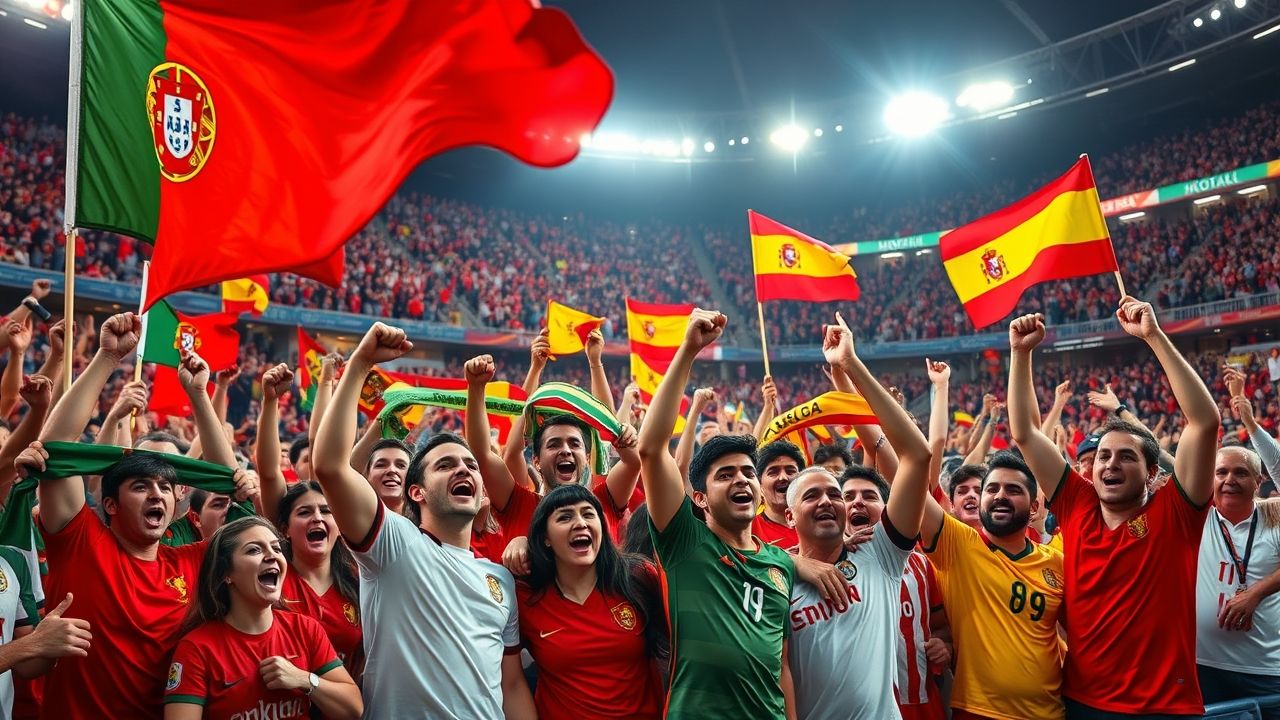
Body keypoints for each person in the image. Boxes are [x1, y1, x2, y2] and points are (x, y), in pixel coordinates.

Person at [16, 313, 255, 720]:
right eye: (141, 486)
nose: (157, 494)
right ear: (109, 504)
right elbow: (56, 447)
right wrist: (107, 358)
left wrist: (199, 394)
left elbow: (227, 484)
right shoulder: (81, 541)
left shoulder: (193, 561)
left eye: (164, 486)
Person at [1008, 301, 1220, 719]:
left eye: (1126, 457)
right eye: (1104, 456)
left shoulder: (1177, 511)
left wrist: (1153, 337)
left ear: (1153, 472)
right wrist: (1020, 353)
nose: (1109, 465)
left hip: (1165, 707)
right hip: (1085, 703)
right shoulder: (1076, 502)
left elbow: (1205, 422)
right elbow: (1025, 433)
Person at [311, 322, 534, 718]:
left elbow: (512, 683)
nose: (463, 471)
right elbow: (329, 465)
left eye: (470, 465)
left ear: (484, 491)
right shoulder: (394, 543)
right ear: (417, 492)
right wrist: (360, 364)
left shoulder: (499, 578)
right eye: (445, 465)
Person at [637, 308, 839, 720]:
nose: (742, 480)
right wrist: (688, 351)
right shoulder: (684, 544)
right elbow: (651, 449)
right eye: (725, 475)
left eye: (749, 472)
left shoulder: (780, 564)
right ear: (700, 499)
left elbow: (779, 665)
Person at [786, 311, 933, 720]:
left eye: (834, 493)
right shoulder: (775, 574)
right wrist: (794, 562)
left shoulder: (880, 555)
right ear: (788, 517)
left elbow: (917, 456)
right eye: (811, 495)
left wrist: (851, 365)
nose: (829, 501)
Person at [164, 517, 361, 720]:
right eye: (254, 550)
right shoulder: (196, 649)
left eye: (276, 548)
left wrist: (305, 680)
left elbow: (354, 708)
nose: (272, 556)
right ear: (226, 574)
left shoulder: (305, 628)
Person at [921, 452, 1065, 719]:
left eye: (1013, 490)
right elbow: (908, 478)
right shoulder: (958, 545)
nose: (1000, 496)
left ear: (1034, 507)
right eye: (992, 489)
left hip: (1052, 712)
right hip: (979, 711)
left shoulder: (1057, 562)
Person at [516, 484, 664, 719]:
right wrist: (518, 543)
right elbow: (511, 680)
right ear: (545, 538)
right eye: (565, 517)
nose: (580, 523)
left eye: (588, 514)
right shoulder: (525, 596)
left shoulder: (638, 577)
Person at [464, 353, 642, 543]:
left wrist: (625, 438)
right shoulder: (520, 505)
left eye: (575, 443)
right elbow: (482, 455)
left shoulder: (604, 502)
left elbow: (632, 463)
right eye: (553, 444)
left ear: (588, 458)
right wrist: (476, 387)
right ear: (536, 461)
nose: (565, 450)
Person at [1196, 446, 1280, 712]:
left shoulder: (1273, 518)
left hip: (1265, 668)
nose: (1229, 479)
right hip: (1202, 666)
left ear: (1258, 481)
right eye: (1221, 472)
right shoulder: (1196, 520)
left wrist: (1256, 593)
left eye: (1240, 472)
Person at [752, 440, 804, 549]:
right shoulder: (748, 531)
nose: (783, 477)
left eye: (790, 471)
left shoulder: (818, 524)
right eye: (773, 472)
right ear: (759, 483)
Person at [946, 464, 986, 530]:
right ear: (952, 504)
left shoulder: (1006, 536)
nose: (971, 495)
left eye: (979, 491)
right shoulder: (943, 536)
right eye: (962, 491)